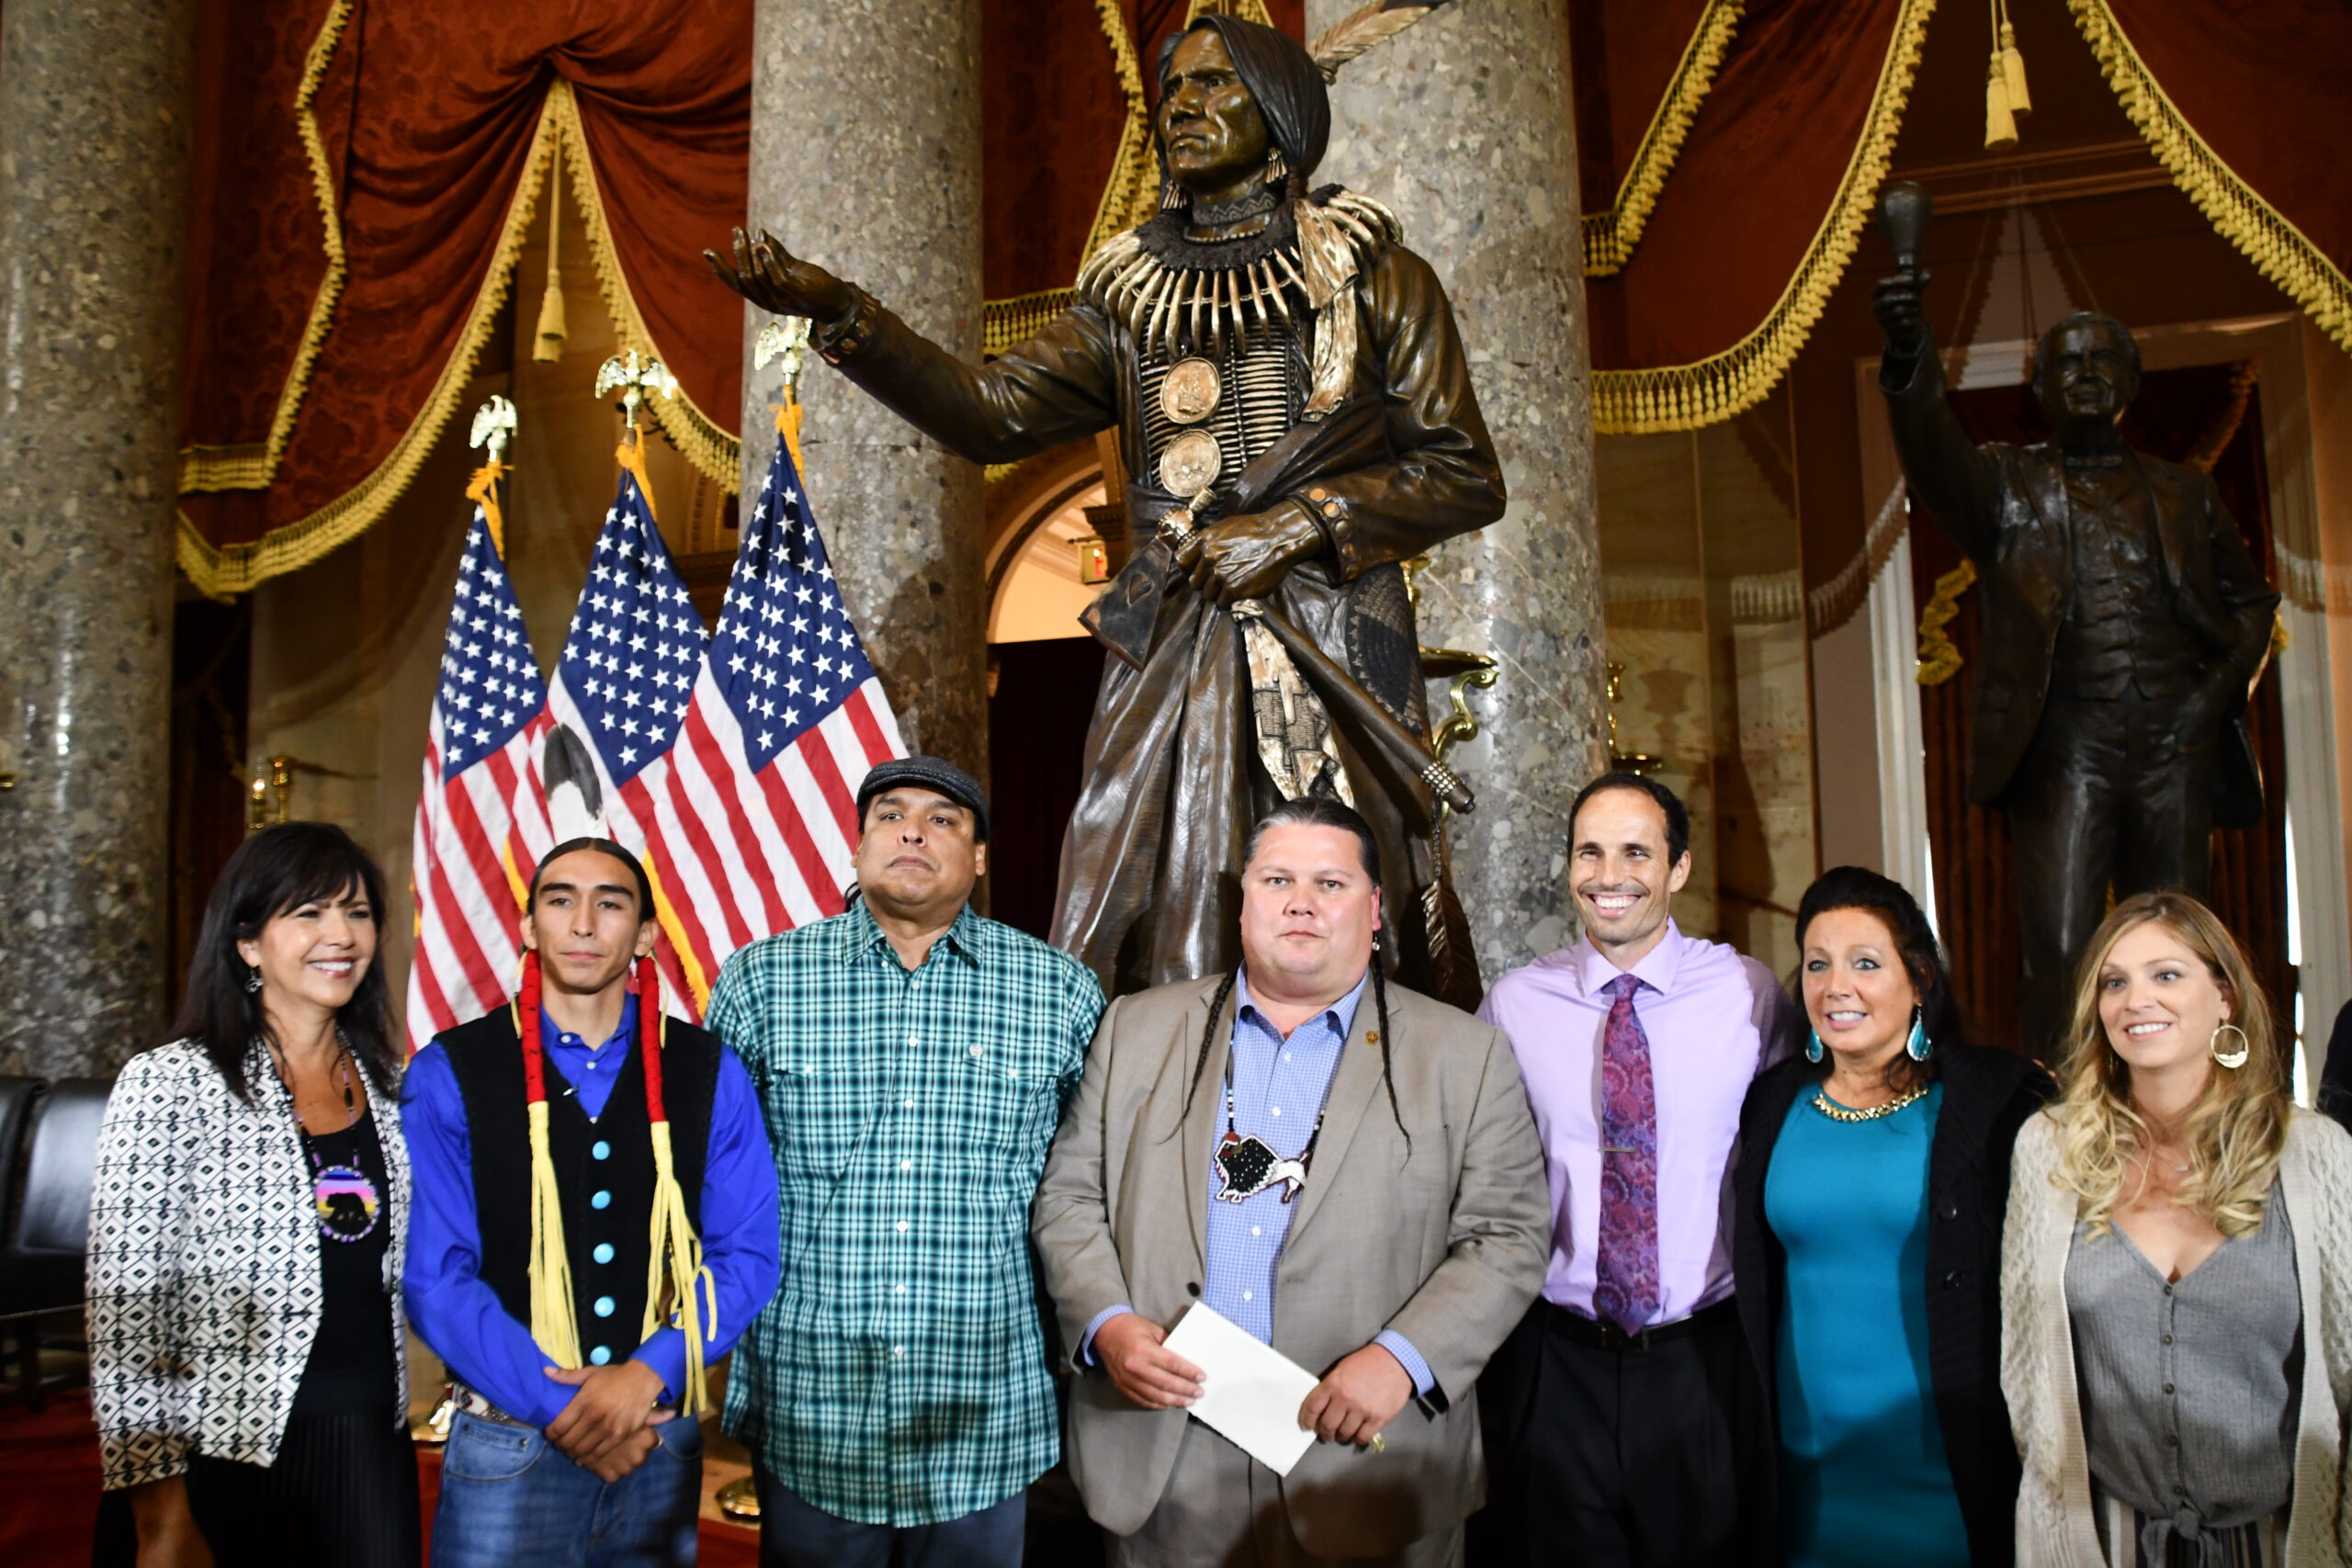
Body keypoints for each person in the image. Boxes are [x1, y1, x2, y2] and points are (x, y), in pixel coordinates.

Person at [708, 14, 1506, 1009]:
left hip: (1332, 634)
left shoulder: (1376, 279)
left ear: (1282, 115)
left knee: (1337, 869)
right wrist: (844, 316)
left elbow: (1464, 470)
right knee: (1143, 873)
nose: (1184, 104)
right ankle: (1159, 1088)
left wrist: (1296, 526)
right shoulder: (1130, 301)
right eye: (1173, 88)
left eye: (1215, 86)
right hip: (1172, 630)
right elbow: (993, 415)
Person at [1032, 795, 1550, 1568]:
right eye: (1277, 880)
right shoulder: (1135, 1028)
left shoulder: (1463, 1055)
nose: (1301, 902)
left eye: (1330, 884)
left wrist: (1403, 1357)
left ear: (1374, 910)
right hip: (1165, 1455)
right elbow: (1070, 1198)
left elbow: (1508, 1235)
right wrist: (1105, 1319)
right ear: (1244, 907)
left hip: (1366, 1457)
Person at [706, 756, 1104, 1568]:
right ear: (858, 843)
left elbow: (1086, 1187)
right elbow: (715, 1184)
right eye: (890, 814)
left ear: (981, 857)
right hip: (813, 1400)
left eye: (945, 819)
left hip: (985, 1404)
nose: (914, 830)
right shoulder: (761, 981)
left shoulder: (1059, 991)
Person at [1873, 267, 2278, 1060]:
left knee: (2180, 946)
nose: (2086, 375)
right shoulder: (2007, 487)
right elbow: (1929, 453)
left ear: (2130, 382)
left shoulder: (2185, 494)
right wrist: (1910, 349)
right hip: (2066, 749)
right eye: (2067, 362)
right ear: (2039, 387)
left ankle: (2192, 1105)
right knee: (2060, 947)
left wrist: (2212, 697)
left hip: (2174, 746)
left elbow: (2253, 603)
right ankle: (2067, 1118)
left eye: (2102, 361)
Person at [401, 837, 781, 1567]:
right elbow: (435, 1276)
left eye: (610, 903)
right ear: (527, 925)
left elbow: (747, 1255)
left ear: (643, 935)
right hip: (508, 1439)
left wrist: (647, 1373)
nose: (582, 922)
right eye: (559, 899)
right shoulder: (451, 1069)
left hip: (657, 1436)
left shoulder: (707, 1069)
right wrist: (570, 1408)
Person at [1472, 771, 1799, 1567]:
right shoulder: (1514, 1004)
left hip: (1704, 1364)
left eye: (1635, 852)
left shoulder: (1748, 995)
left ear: (1677, 868)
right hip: (1556, 1361)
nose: (1609, 875)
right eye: (1590, 851)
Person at [87, 822, 419, 1568]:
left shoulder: (394, 1089)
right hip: (223, 1453)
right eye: (309, 913)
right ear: (246, 943)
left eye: (358, 912)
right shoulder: (172, 1082)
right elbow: (128, 1316)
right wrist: (161, 1514)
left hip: (368, 1438)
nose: (341, 933)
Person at [2003, 891, 2352, 1565]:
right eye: (2115, 981)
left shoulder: (2315, 1152)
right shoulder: (2049, 1148)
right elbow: (2025, 1373)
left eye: (2166, 974)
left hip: (2283, 1542)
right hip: (2107, 1542)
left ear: (2224, 995)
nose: (2137, 998)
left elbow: (2348, 1372)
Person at [1731, 867, 2050, 1567]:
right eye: (1818, 963)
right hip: (1802, 1474)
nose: (1835, 985)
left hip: (1945, 1468)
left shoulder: (1994, 1103)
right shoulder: (1771, 1104)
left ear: (1921, 982)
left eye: (1865, 963)